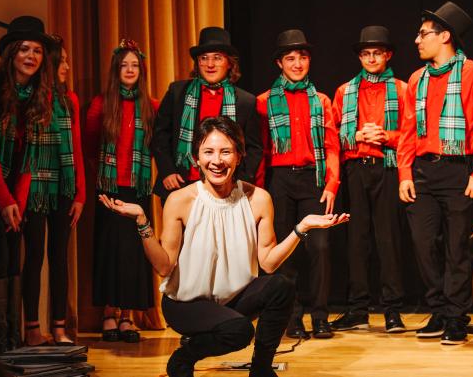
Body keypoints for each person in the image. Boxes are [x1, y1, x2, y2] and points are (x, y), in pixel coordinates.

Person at [99, 116, 348, 377]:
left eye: (225, 152)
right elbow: (164, 267)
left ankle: (261, 370)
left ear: (239, 156)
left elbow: (269, 263)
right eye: (208, 152)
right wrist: (142, 221)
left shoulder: (258, 199)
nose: (216, 161)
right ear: (196, 157)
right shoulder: (180, 200)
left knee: (281, 286)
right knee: (240, 331)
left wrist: (302, 228)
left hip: (231, 300)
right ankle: (184, 357)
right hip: (185, 303)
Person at [0, 16, 85, 353]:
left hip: (19, 186)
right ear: (11, 53)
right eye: (24, 49)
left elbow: (30, 155)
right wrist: (5, 197)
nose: (31, 56)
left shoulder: (38, 94)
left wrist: (18, 199)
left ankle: (11, 343)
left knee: (11, 260)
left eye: (37, 51)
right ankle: (0, 347)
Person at [398, 1, 473, 344]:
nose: (417, 40)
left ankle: (456, 316)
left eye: (423, 33)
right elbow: (407, 131)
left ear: (444, 36)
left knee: (457, 247)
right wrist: (404, 173)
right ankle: (439, 310)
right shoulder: (417, 78)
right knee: (422, 242)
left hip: (460, 171)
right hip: (423, 171)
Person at [256, 29, 340, 339]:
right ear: (279, 63)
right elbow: (261, 150)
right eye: (290, 58)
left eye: (302, 57)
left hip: (312, 178)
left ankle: (320, 315)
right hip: (279, 180)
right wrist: (259, 190)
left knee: (320, 246)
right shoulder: (265, 102)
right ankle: (290, 316)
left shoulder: (321, 100)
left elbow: (332, 145)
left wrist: (331, 183)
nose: (297, 63)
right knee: (284, 249)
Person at [330, 26, 407, 333]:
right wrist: (355, 135)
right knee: (356, 240)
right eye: (366, 53)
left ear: (387, 55)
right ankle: (358, 308)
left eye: (377, 52)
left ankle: (392, 309)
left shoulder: (402, 89)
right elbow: (331, 136)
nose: (371, 58)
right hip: (356, 169)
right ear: (360, 57)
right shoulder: (345, 91)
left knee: (388, 239)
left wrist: (386, 136)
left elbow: (414, 135)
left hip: (387, 168)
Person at [85, 39, 158, 343]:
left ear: (142, 71)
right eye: (124, 65)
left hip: (138, 189)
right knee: (109, 252)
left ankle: (128, 317)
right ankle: (108, 314)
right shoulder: (102, 104)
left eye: (135, 65)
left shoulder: (151, 105)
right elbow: (89, 143)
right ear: (116, 70)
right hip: (110, 188)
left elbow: (158, 145)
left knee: (132, 254)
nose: (130, 70)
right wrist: (102, 179)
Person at [19, 34, 85, 346]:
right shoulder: (28, 97)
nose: (67, 67)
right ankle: (32, 327)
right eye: (63, 61)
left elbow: (77, 149)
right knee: (33, 255)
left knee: (59, 256)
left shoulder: (67, 100)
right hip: (33, 187)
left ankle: (59, 327)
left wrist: (80, 194)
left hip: (63, 186)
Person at [151, 26, 262, 204]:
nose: (210, 64)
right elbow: (160, 135)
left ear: (229, 63)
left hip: (225, 187)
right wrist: (167, 171)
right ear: (197, 63)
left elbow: (254, 148)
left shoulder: (245, 101)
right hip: (181, 183)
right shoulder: (177, 92)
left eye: (217, 58)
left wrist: (238, 179)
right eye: (204, 58)